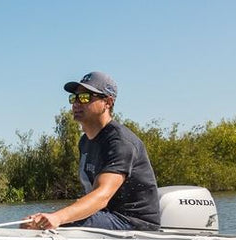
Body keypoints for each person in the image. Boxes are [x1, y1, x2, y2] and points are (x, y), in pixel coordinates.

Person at [22, 71, 160, 231]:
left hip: (133, 223)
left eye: (86, 97)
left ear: (108, 102)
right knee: (31, 223)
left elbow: (102, 195)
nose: (77, 103)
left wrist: (58, 217)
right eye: (74, 98)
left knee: (53, 225)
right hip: (108, 216)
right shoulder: (85, 142)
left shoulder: (120, 142)